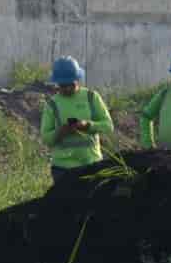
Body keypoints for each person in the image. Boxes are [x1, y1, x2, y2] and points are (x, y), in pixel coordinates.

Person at [39, 56, 114, 185]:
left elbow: (108, 126)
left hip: (92, 166)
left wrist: (87, 125)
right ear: (57, 83)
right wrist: (61, 132)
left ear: (77, 79)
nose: (67, 88)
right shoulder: (52, 104)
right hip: (63, 170)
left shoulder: (91, 97)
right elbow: (46, 138)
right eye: (63, 85)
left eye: (71, 84)